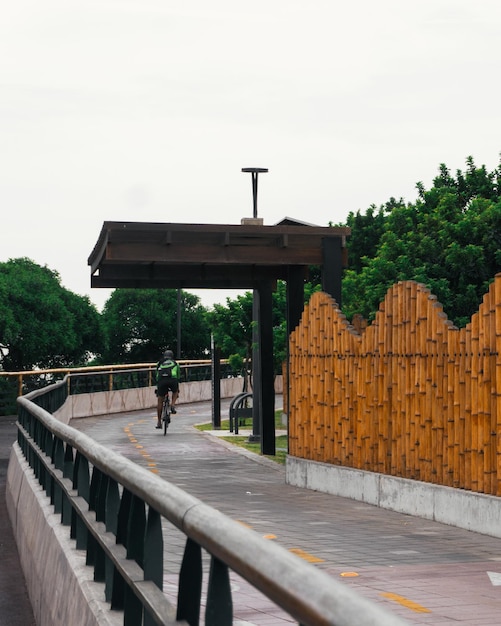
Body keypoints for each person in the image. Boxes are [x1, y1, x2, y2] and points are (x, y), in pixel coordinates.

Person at [155, 349, 180, 429]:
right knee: (175, 391)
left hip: (162, 381)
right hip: (172, 380)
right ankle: (172, 404)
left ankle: (159, 422)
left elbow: (157, 376)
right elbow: (178, 375)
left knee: (160, 401)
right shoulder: (175, 363)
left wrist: (158, 385)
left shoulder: (159, 363)